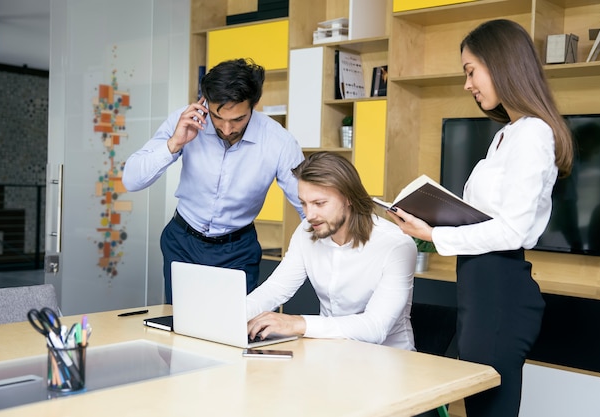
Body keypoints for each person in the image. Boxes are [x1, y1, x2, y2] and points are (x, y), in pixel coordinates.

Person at [388, 20, 574, 417]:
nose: (467, 84)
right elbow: (487, 218)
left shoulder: (534, 134)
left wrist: (435, 234)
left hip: (500, 294)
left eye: (471, 71)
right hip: (479, 289)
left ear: (502, 64)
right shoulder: (507, 134)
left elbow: (514, 229)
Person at [122, 58, 305, 304]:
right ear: (205, 102)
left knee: (233, 332)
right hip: (183, 242)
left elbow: (308, 205)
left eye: (238, 119)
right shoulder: (184, 121)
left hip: (237, 250)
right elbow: (132, 180)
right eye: (219, 118)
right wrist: (174, 143)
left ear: (254, 105)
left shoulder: (279, 142)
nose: (227, 129)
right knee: (181, 329)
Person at [246, 151, 416, 351]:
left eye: (319, 203)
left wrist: (296, 323)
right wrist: (230, 316)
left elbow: (375, 327)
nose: (309, 215)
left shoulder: (396, 245)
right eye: (303, 203)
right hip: (331, 353)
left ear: (348, 198)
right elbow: (276, 289)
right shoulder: (306, 232)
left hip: (389, 361)